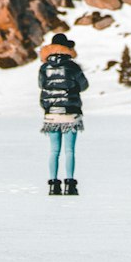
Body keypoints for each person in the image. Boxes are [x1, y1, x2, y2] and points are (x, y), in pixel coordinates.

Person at [38, 32, 88, 196]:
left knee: (54, 150)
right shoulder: (73, 66)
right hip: (70, 113)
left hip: (51, 113)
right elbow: (84, 85)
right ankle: (70, 184)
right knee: (69, 150)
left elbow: (41, 86)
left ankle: (53, 185)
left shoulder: (44, 68)